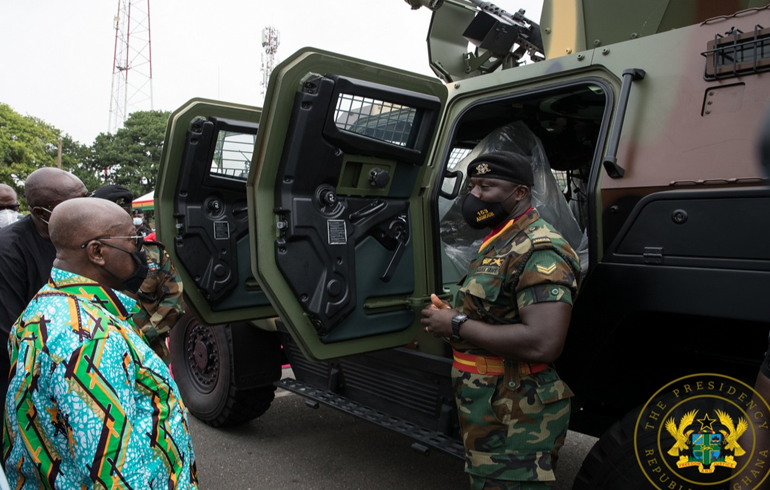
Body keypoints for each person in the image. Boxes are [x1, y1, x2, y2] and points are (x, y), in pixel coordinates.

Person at [3, 197, 198, 488]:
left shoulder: (44, 306)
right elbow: (114, 473)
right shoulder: (89, 338)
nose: (140, 250)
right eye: (133, 241)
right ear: (97, 251)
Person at [421, 151, 581, 489]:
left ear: (519, 193)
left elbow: (544, 342)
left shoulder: (539, 249)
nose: (475, 195)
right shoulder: (502, 240)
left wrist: (455, 325)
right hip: (489, 403)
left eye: (487, 187)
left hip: (518, 410)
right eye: (473, 185)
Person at [0, 167, 88, 425]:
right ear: (41, 213)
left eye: (88, 197)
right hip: (29, 375)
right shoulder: (9, 250)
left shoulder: (80, 238)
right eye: (77, 203)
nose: (88, 207)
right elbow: (12, 333)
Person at [92, 184, 184, 361]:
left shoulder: (154, 254)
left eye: (127, 212)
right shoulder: (88, 256)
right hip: (101, 352)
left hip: (151, 352)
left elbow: (174, 299)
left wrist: (143, 335)